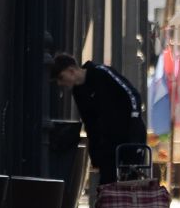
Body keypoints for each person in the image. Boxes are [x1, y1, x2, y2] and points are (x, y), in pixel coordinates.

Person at [51, 54, 148, 191]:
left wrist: (134, 120)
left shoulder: (101, 73)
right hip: (107, 143)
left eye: (61, 77)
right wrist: (95, 152)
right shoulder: (78, 92)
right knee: (107, 185)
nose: (61, 84)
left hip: (128, 134)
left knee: (131, 178)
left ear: (71, 70)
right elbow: (89, 122)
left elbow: (131, 93)